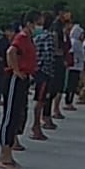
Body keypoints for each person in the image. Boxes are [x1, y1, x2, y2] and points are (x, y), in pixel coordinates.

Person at [0, 13, 39, 169]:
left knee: (17, 114)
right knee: (10, 114)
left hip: (24, 77)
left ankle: (10, 148)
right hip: (15, 77)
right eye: (37, 23)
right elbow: (11, 52)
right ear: (29, 23)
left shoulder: (28, 39)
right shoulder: (21, 37)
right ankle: (4, 154)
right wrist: (15, 70)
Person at [29, 11, 57, 140]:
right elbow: (49, 56)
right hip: (44, 72)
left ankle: (37, 125)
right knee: (40, 101)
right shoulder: (49, 37)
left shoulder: (37, 36)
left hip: (38, 71)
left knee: (40, 100)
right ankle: (36, 126)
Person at [63, 21, 83, 111]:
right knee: (71, 85)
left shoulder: (78, 42)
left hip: (78, 66)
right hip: (73, 66)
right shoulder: (74, 42)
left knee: (74, 85)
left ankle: (70, 101)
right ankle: (68, 102)